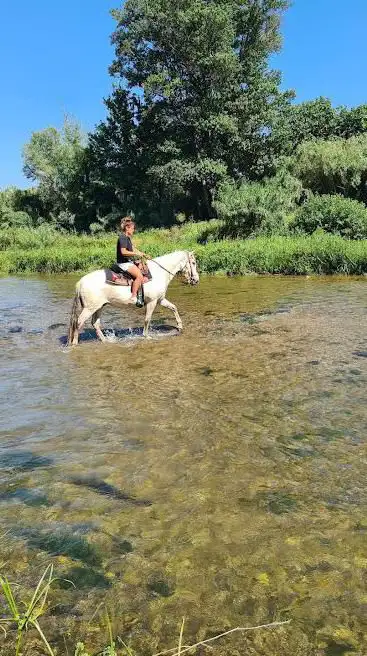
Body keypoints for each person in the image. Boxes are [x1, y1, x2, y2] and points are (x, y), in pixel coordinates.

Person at [116, 217, 149, 304]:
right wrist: (137, 254)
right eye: (133, 228)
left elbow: (133, 249)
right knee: (139, 276)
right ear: (127, 228)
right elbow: (123, 252)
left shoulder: (127, 238)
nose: (133, 230)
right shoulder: (122, 237)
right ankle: (133, 296)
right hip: (123, 263)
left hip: (128, 262)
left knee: (143, 267)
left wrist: (143, 254)